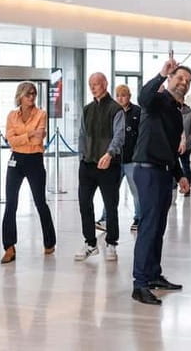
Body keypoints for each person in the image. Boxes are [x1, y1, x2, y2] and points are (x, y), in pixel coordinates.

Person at [131, 59, 191, 306]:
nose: (183, 83)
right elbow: (143, 97)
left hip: (164, 172)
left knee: (158, 227)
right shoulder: (156, 100)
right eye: (179, 78)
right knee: (148, 226)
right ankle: (140, 284)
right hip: (148, 172)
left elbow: (169, 148)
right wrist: (160, 74)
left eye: (187, 81)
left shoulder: (177, 112)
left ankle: (154, 275)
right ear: (170, 78)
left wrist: (180, 175)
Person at [0, 82, 56, 264]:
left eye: (33, 94)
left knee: (40, 202)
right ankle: (9, 246)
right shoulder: (11, 116)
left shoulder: (41, 114)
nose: (31, 97)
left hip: (34, 160)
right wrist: (29, 135)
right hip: (15, 161)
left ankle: (49, 242)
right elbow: (11, 141)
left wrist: (23, 137)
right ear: (20, 96)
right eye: (28, 94)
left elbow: (39, 138)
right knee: (10, 204)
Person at [75, 73, 124, 262]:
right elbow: (81, 134)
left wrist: (110, 153)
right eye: (90, 84)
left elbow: (119, 136)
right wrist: (81, 156)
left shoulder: (115, 109)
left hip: (109, 165)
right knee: (84, 204)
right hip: (87, 165)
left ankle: (111, 243)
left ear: (105, 84)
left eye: (96, 84)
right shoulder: (87, 109)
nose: (93, 87)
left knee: (111, 206)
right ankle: (90, 242)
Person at [96, 85, 141, 232]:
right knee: (111, 191)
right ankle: (105, 219)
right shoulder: (113, 111)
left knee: (136, 191)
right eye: (118, 95)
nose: (121, 98)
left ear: (129, 96)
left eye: (124, 95)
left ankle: (139, 218)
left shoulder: (137, 112)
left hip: (131, 160)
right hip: (115, 159)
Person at [178, 103, 191, 198]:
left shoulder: (190, 113)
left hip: (187, 145)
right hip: (174, 145)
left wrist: (188, 139)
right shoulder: (171, 110)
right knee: (172, 165)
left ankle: (188, 187)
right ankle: (173, 186)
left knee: (186, 166)